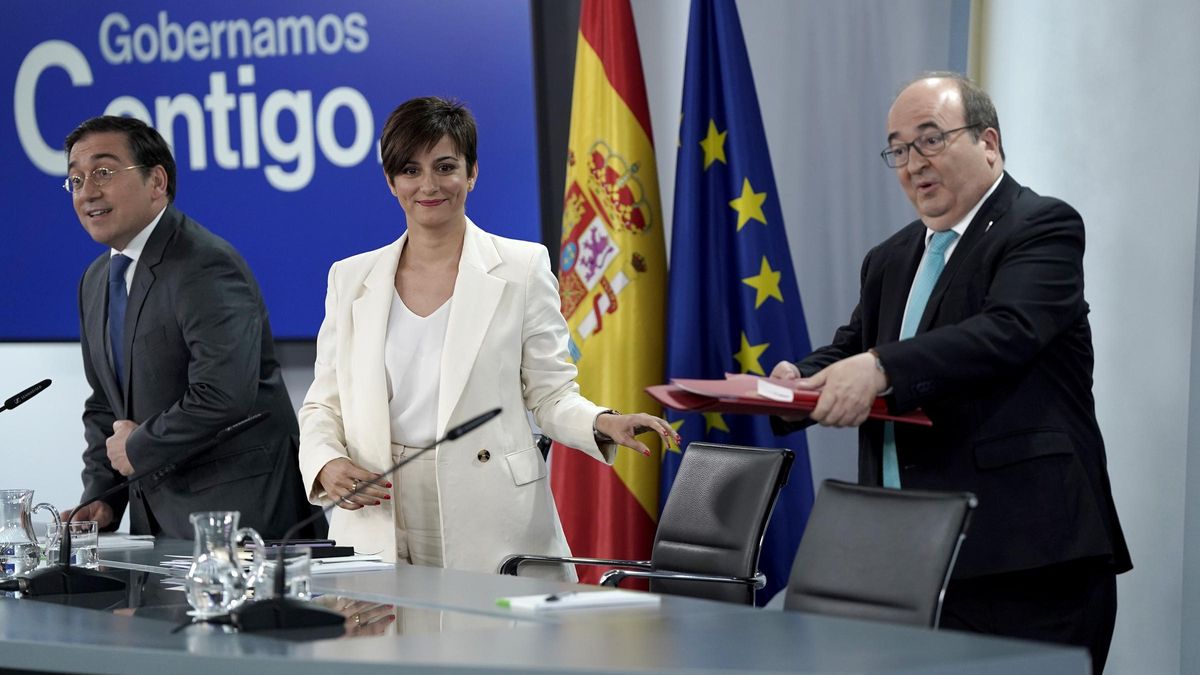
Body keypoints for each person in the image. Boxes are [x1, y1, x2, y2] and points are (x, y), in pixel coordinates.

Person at [770, 73, 1130, 671]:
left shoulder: (1041, 227)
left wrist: (879, 368)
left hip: (1021, 559)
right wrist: (794, 383)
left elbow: (1005, 332)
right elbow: (855, 345)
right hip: (898, 558)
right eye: (899, 149)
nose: (913, 163)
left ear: (988, 143)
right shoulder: (891, 256)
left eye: (930, 140)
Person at [298, 96, 677, 579]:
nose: (429, 185)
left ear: (472, 172)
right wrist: (327, 463)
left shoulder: (522, 267)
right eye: (410, 171)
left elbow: (551, 394)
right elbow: (322, 405)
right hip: (378, 506)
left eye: (445, 167)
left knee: (486, 648)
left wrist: (602, 422)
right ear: (391, 182)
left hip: (490, 506)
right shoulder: (349, 278)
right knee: (385, 648)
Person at [63, 115, 323, 540]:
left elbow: (223, 393)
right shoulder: (95, 280)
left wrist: (138, 448)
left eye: (103, 172)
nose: (87, 190)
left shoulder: (203, 262)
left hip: (242, 515)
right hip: (161, 518)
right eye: (76, 179)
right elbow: (105, 405)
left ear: (157, 181)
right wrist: (103, 495)